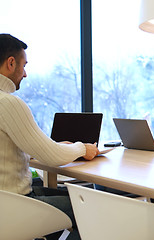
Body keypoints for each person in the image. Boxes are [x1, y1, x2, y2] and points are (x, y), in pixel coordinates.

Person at [0, 33, 99, 240]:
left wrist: (45, 147)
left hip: (6, 204)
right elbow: (53, 156)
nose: (25, 74)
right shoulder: (8, 103)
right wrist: (83, 148)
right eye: (23, 65)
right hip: (15, 206)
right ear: (10, 63)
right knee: (95, 204)